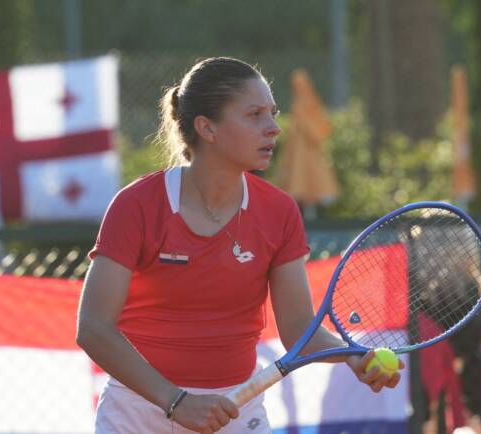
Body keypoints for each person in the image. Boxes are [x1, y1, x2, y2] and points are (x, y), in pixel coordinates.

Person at [76, 57, 403, 434]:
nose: (274, 128)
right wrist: (176, 402)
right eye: (254, 115)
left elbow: (299, 328)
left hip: (235, 410)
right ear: (207, 128)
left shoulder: (279, 212)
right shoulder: (136, 205)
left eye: (273, 113)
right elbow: (94, 327)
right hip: (137, 411)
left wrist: (353, 356)